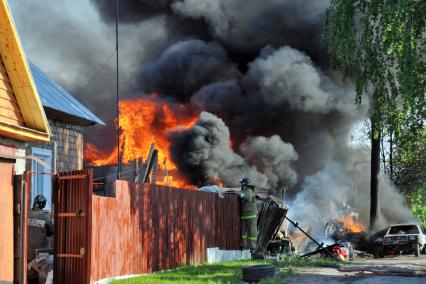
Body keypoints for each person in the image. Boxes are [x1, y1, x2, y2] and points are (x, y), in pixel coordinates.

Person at [28, 195, 54, 262]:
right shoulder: (46, 217)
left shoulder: (26, 213)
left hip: (25, 251)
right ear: (43, 205)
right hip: (40, 253)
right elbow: (51, 232)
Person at [239, 178, 258, 251]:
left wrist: (240, 194)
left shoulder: (249, 191)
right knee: (243, 232)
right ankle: (242, 245)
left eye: (242, 184)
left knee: (252, 232)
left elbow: (248, 198)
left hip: (251, 215)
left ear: (244, 184)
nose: (241, 185)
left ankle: (252, 247)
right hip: (244, 215)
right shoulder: (243, 191)